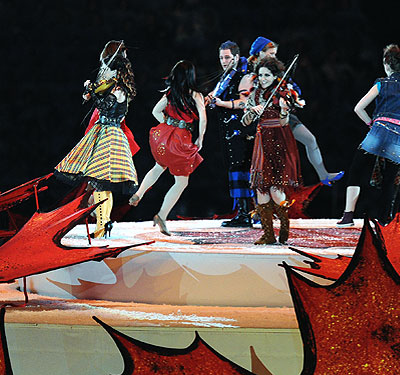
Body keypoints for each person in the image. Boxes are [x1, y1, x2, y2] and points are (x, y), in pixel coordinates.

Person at [336, 44, 400, 226]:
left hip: (378, 131)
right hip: (399, 136)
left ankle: (348, 216)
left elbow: (358, 108)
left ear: (387, 64)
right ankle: (384, 221)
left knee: (357, 170)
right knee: (389, 180)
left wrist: (370, 123)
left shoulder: (382, 83)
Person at [55, 40, 138, 238]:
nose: (104, 71)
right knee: (100, 184)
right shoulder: (113, 86)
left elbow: (104, 106)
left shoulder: (119, 89)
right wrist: (91, 92)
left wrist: (92, 91)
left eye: (107, 68)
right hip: (103, 133)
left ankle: (102, 225)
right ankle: (103, 223)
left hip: (111, 136)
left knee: (102, 183)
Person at [244, 36, 343, 185]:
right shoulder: (250, 75)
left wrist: (290, 95)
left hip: (283, 115)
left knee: (310, 140)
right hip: (264, 122)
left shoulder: (277, 72)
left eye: (275, 54)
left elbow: (294, 88)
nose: (274, 57)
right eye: (271, 54)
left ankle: (323, 175)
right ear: (259, 53)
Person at [128, 60, 206, 235]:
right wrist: (200, 137)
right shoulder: (195, 95)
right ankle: (162, 215)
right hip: (180, 140)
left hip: (163, 137)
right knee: (181, 182)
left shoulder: (170, 93)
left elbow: (155, 111)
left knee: (158, 167)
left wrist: (168, 124)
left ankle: (139, 193)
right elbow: (203, 118)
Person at [241, 57, 302, 244]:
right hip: (262, 141)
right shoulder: (255, 95)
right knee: (261, 188)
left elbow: (284, 122)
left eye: (267, 75)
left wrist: (283, 110)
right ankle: (268, 234)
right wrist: (253, 112)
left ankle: (284, 228)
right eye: (260, 75)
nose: (263, 79)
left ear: (275, 76)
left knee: (276, 189)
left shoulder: (282, 94)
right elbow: (244, 122)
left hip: (279, 140)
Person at [209, 41, 253, 228]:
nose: (223, 61)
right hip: (229, 131)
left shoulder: (243, 76)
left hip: (240, 131)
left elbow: (244, 102)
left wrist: (221, 103)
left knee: (241, 169)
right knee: (235, 169)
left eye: (227, 57)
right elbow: (215, 95)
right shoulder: (226, 77)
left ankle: (246, 214)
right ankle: (243, 212)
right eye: (221, 57)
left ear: (236, 57)